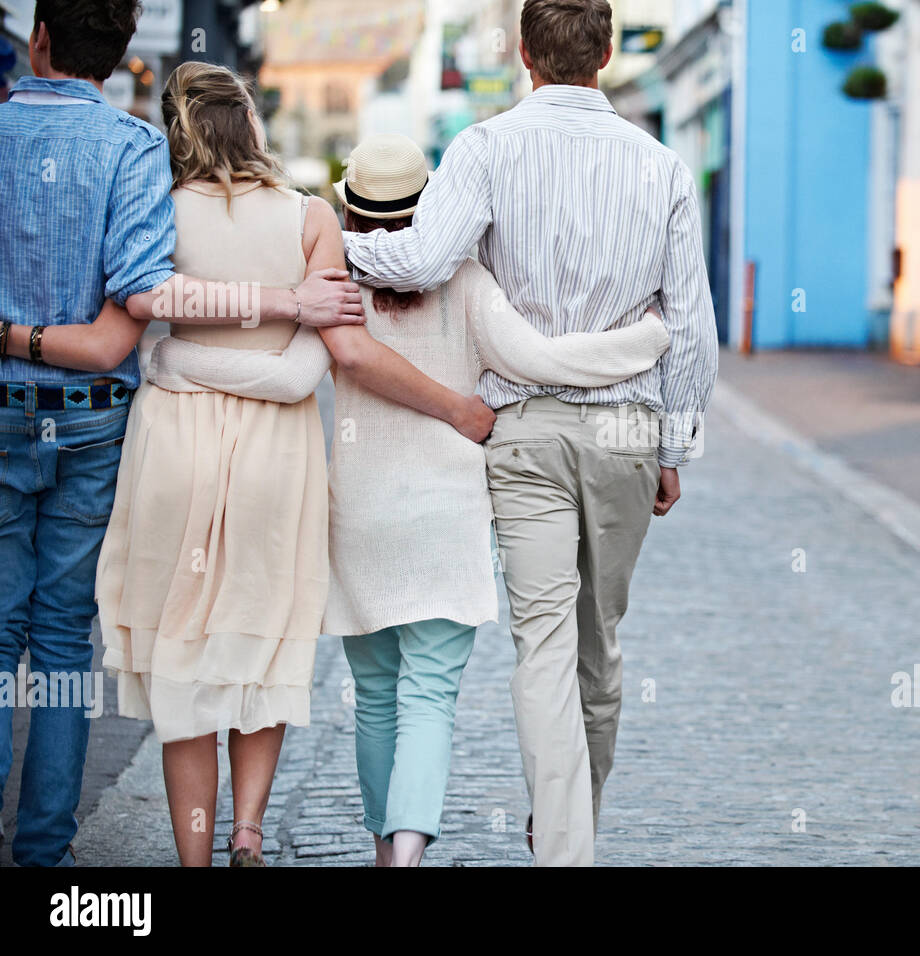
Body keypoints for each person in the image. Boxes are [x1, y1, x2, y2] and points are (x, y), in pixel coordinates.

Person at [148, 134, 670, 865]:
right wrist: (643, 341)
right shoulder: (467, 283)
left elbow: (287, 376)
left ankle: (375, 841)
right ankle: (405, 854)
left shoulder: (337, 287)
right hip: (447, 519)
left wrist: (166, 356)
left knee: (375, 695)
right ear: (430, 208)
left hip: (359, 516)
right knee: (430, 694)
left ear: (349, 212)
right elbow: (541, 360)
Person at [343, 0, 720, 866]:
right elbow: (691, 325)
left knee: (543, 643)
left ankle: (562, 842)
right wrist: (674, 449)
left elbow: (425, 260)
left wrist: (335, 248)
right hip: (628, 428)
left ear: (523, 54)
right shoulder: (661, 166)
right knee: (600, 643)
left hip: (523, 432)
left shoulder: (484, 147)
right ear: (609, 53)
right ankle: (571, 817)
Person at [0, 0, 357, 868]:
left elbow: (149, 307)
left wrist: (170, 368)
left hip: (158, 442)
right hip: (215, 446)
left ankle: (189, 857)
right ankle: (219, 836)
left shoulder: (160, 193)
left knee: (171, 653)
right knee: (240, 640)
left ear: (37, 37)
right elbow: (293, 366)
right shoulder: (295, 214)